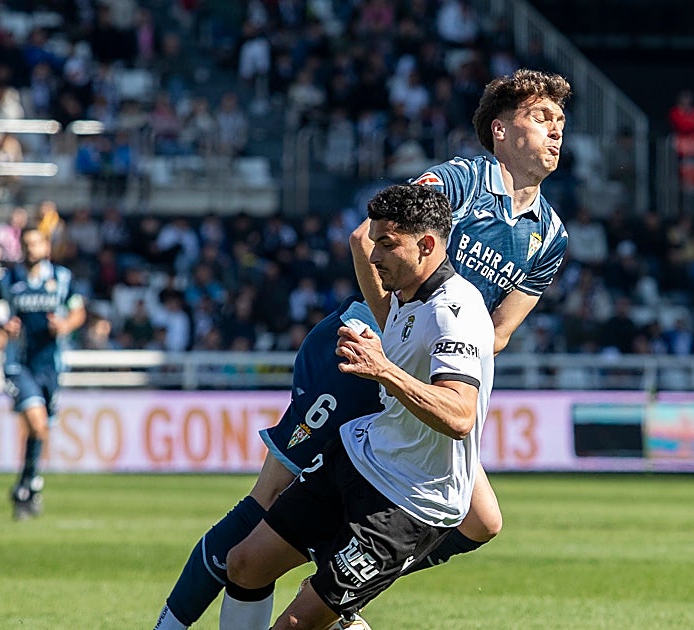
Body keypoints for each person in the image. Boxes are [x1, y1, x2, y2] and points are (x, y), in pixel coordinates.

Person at [153, 67, 570, 629]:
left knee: (482, 522)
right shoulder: (461, 181)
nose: (556, 128)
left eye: (560, 119)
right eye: (540, 116)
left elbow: (497, 334)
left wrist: (437, 365)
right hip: (359, 350)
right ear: (500, 130)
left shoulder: (552, 235)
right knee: (270, 497)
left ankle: (343, 576)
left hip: (424, 375)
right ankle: (174, 623)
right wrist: (395, 340)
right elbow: (365, 236)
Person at [224, 183, 495, 629]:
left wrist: (383, 369)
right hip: (360, 456)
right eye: (374, 243)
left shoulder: (455, 313)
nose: (374, 257)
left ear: (426, 245)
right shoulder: (409, 293)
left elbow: (460, 415)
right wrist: (381, 347)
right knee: (245, 563)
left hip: (408, 501)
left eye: (386, 245)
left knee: (297, 624)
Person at [0, 226, 85, 520]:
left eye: (36, 243)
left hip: (50, 365)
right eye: (26, 244)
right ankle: (30, 482)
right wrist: (2, 325)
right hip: (19, 364)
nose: (30, 249)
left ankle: (27, 483)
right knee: (37, 424)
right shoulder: (10, 279)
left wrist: (65, 325)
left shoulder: (61, 278)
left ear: (46, 248)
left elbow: (78, 310)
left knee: (42, 428)